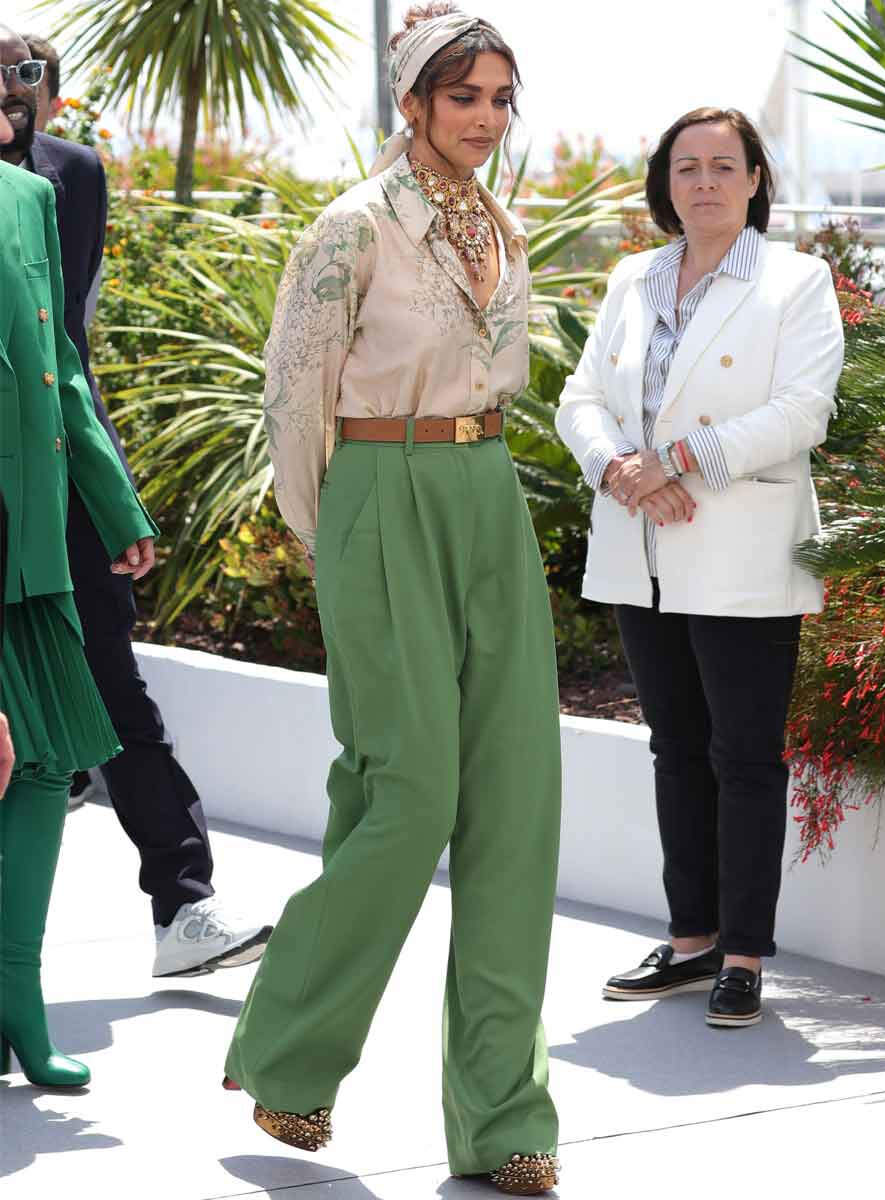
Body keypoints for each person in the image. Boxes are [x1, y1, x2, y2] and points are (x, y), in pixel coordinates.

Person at [223, 5, 561, 1194]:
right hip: (379, 489)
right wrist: (339, 545)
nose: (484, 118)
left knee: (518, 798)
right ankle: (289, 1055)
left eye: (501, 98)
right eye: (463, 95)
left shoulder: (504, 229)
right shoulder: (349, 230)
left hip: (486, 490)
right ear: (412, 102)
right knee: (407, 791)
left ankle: (505, 1116)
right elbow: (293, 400)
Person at [556, 107, 844, 1028]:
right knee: (675, 750)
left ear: (757, 179)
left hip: (741, 548)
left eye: (726, 165)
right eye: (688, 167)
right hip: (641, 543)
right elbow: (584, 395)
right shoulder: (632, 277)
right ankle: (689, 943)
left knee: (746, 757)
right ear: (665, 182)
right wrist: (619, 472)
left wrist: (675, 462)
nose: (706, 182)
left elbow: (804, 411)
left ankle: (745, 955)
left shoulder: (796, 282)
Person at [0, 28, 272, 979]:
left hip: (55, 474)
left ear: (52, 96)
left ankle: (186, 908)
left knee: (116, 688)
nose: (8, 88)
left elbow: (60, 354)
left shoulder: (63, 179)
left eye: (25, 75)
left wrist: (115, 506)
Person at [0, 74, 158, 1086]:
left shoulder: (29, 199)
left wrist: (116, 501)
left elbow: (59, 357)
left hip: (32, 542)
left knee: (50, 763)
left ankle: (19, 997)